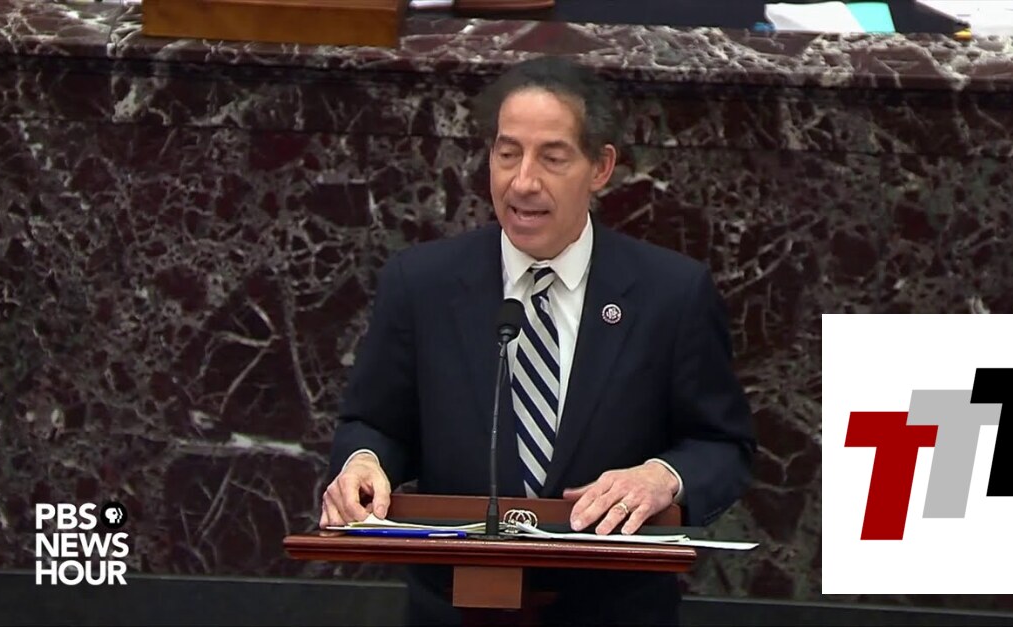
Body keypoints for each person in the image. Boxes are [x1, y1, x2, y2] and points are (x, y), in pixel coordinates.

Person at [321, 55, 756, 625]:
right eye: (507, 154)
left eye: (552, 158)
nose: (523, 182)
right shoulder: (422, 283)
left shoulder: (670, 293)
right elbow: (374, 421)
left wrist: (662, 477)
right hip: (456, 608)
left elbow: (721, 445)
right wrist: (362, 462)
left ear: (600, 167)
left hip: (614, 611)